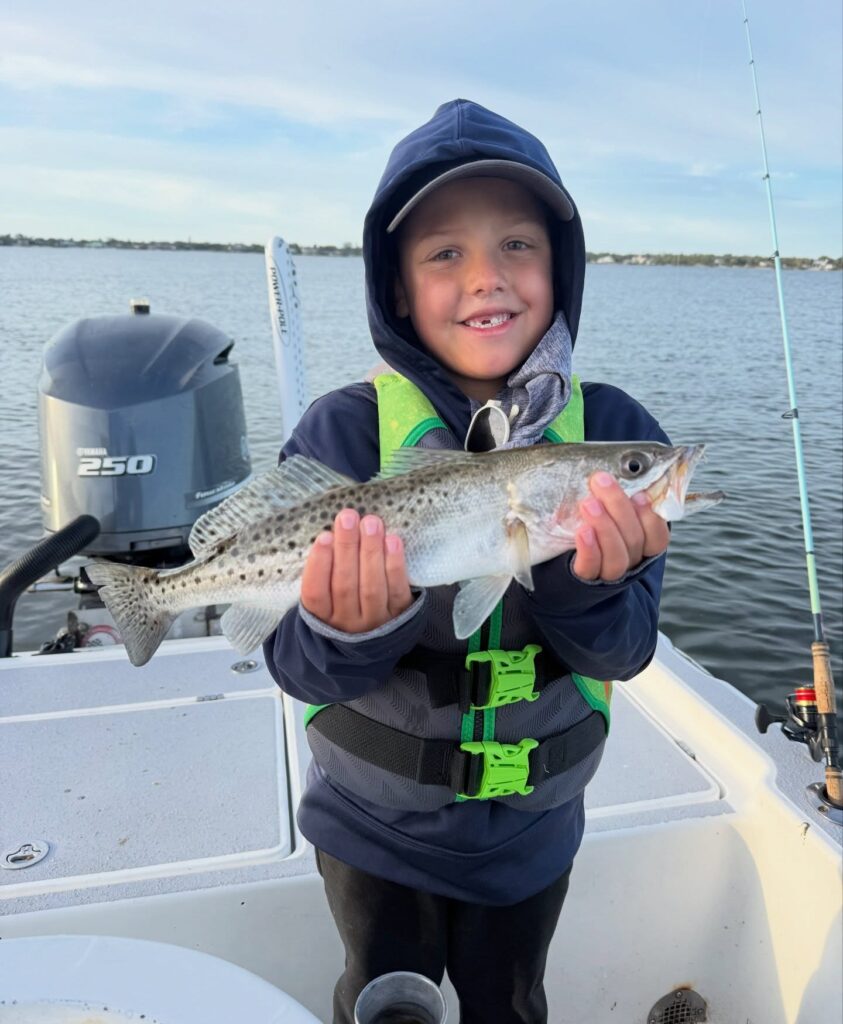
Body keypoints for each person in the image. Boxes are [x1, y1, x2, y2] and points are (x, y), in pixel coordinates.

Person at [264, 98, 671, 1023]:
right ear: (397, 288)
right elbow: (292, 664)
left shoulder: (611, 435)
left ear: (560, 268)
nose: (486, 276)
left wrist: (582, 574)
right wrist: (344, 625)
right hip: (368, 830)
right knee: (381, 1006)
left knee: (512, 1005)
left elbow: (623, 654)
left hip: (532, 834)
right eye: (445, 252)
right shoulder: (343, 431)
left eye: (518, 245)